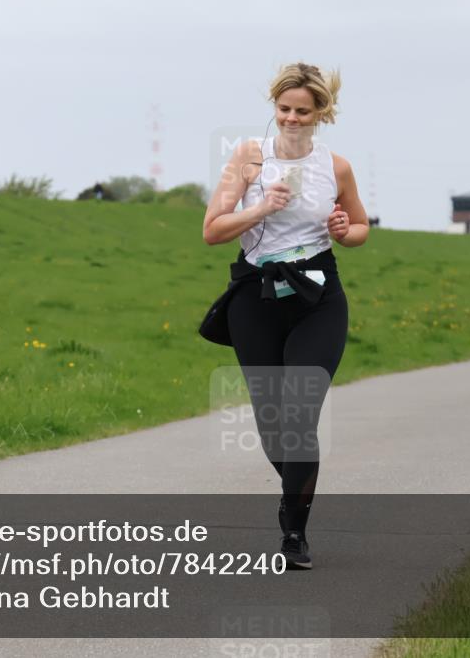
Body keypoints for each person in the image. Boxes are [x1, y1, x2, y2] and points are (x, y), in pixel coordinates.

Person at [202, 62, 368, 569]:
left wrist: (343, 230)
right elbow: (212, 230)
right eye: (284, 109)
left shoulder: (336, 167)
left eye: (303, 111)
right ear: (274, 107)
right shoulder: (248, 157)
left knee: (300, 414)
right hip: (256, 297)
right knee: (272, 422)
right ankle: (296, 488)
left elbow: (360, 227)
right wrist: (260, 208)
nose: (292, 119)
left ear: (322, 114)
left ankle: (294, 530)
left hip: (317, 297)